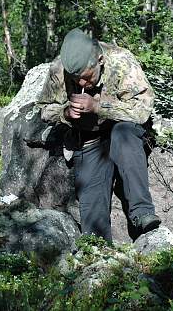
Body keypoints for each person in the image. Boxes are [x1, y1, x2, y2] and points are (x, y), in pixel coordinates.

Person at [37, 28, 161, 242]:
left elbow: (142, 110)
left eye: (86, 78)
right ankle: (100, 254)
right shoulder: (60, 68)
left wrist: (98, 106)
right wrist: (64, 113)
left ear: (100, 61)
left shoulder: (121, 61)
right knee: (93, 222)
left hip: (124, 128)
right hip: (90, 138)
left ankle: (142, 212)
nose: (83, 85)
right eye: (77, 81)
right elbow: (44, 109)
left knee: (123, 135)